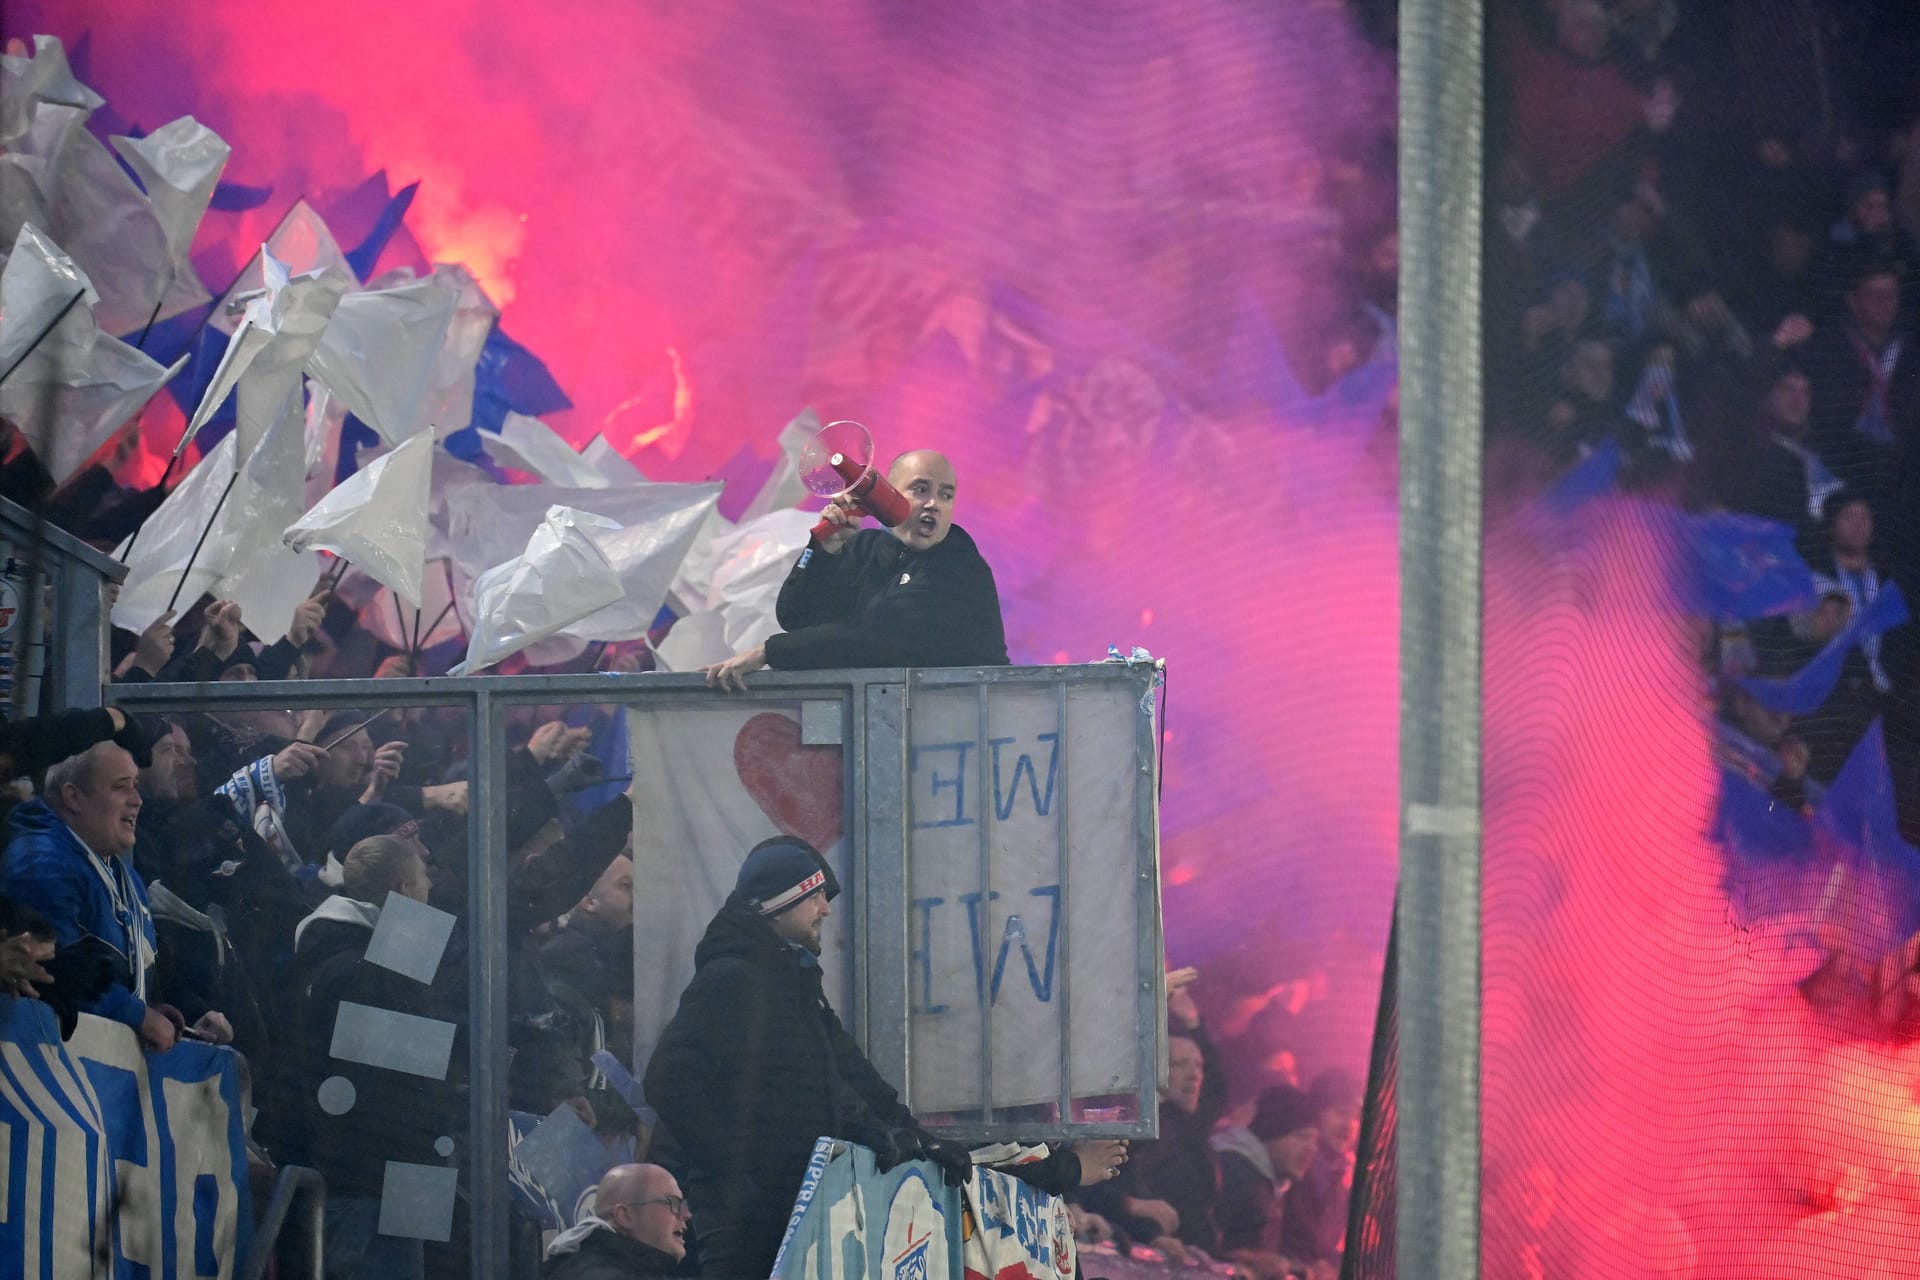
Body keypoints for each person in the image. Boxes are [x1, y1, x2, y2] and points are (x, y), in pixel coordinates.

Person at [643, 836, 973, 1277]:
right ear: (782, 902)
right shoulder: (730, 980)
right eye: (815, 896)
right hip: (746, 1219)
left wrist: (914, 1136)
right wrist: (738, 1173)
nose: (826, 910)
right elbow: (667, 1081)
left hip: (803, 1199)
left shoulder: (794, 983)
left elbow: (850, 1071)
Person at [702, 450, 1008, 689]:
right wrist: (822, 549)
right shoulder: (866, 547)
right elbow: (796, 616)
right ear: (890, 491)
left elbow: (876, 635)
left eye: (946, 495)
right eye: (920, 489)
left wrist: (767, 652)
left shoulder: (960, 567)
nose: (934, 504)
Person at [288, 835, 448, 1280]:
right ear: (402, 891)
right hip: (372, 1192)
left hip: (396, 1187)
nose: (430, 892)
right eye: (423, 881)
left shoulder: (363, 965)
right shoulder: (361, 973)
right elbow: (406, 1095)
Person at [0, 741, 227, 1051]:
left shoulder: (120, 871)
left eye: (135, 785)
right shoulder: (40, 864)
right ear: (74, 797)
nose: (137, 800)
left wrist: (179, 1012)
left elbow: (128, 972)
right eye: (121, 787)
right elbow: (53, 975)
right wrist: (137, 1016)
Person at [1212, 1083, 1328, 1280]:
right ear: (1272, 1132)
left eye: (1315, 1140)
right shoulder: (1237, 1175)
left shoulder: (1270, 1183)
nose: (1311, 1149)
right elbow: (1205, 1249)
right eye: (1302, 1136)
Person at [541, 1163, 691, 1278]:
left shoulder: (628, 1268)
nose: (686, 1215)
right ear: (625, 1216)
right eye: (673, 1203)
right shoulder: (595, 1274)